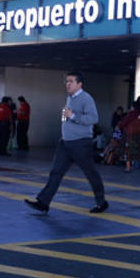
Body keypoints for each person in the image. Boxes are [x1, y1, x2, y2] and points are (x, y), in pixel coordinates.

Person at [24, 72, 108, 214]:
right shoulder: (69, 98)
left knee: (90, 173)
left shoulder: (86, 98)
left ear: (79, 84)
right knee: (56, 172)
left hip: (80, 143)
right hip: (65, 143)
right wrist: (65, 117)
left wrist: (73, 116)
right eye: (66, 81)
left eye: (71, 81)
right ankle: (43, 202)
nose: (67, 84)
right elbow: (66, 117)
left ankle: (101, 202)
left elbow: (93, 118)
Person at [119, 103, 140, 173]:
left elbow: (124, 122)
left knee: (128, 150)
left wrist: (120, 126)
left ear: (133, 107)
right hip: (138, 134)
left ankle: (128, 167)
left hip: (130, 134)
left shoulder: (131, 114)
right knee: (138, 150)